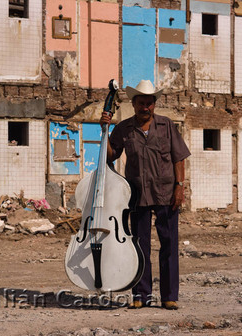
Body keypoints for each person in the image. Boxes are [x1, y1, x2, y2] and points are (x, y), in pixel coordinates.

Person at [100, 79, 190, 310]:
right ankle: (141, 295)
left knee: (169, 245)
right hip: (137, 195)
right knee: (139, 247)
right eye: (141, 103)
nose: (145, 107)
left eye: (149, 103)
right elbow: (110, 156)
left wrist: (180, 187)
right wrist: (104, 130)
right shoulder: (124, 129)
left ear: (154, 104)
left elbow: (179, 157)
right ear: (134, 103)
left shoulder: (167, 125)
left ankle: (169, 296)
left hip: (166, 194)